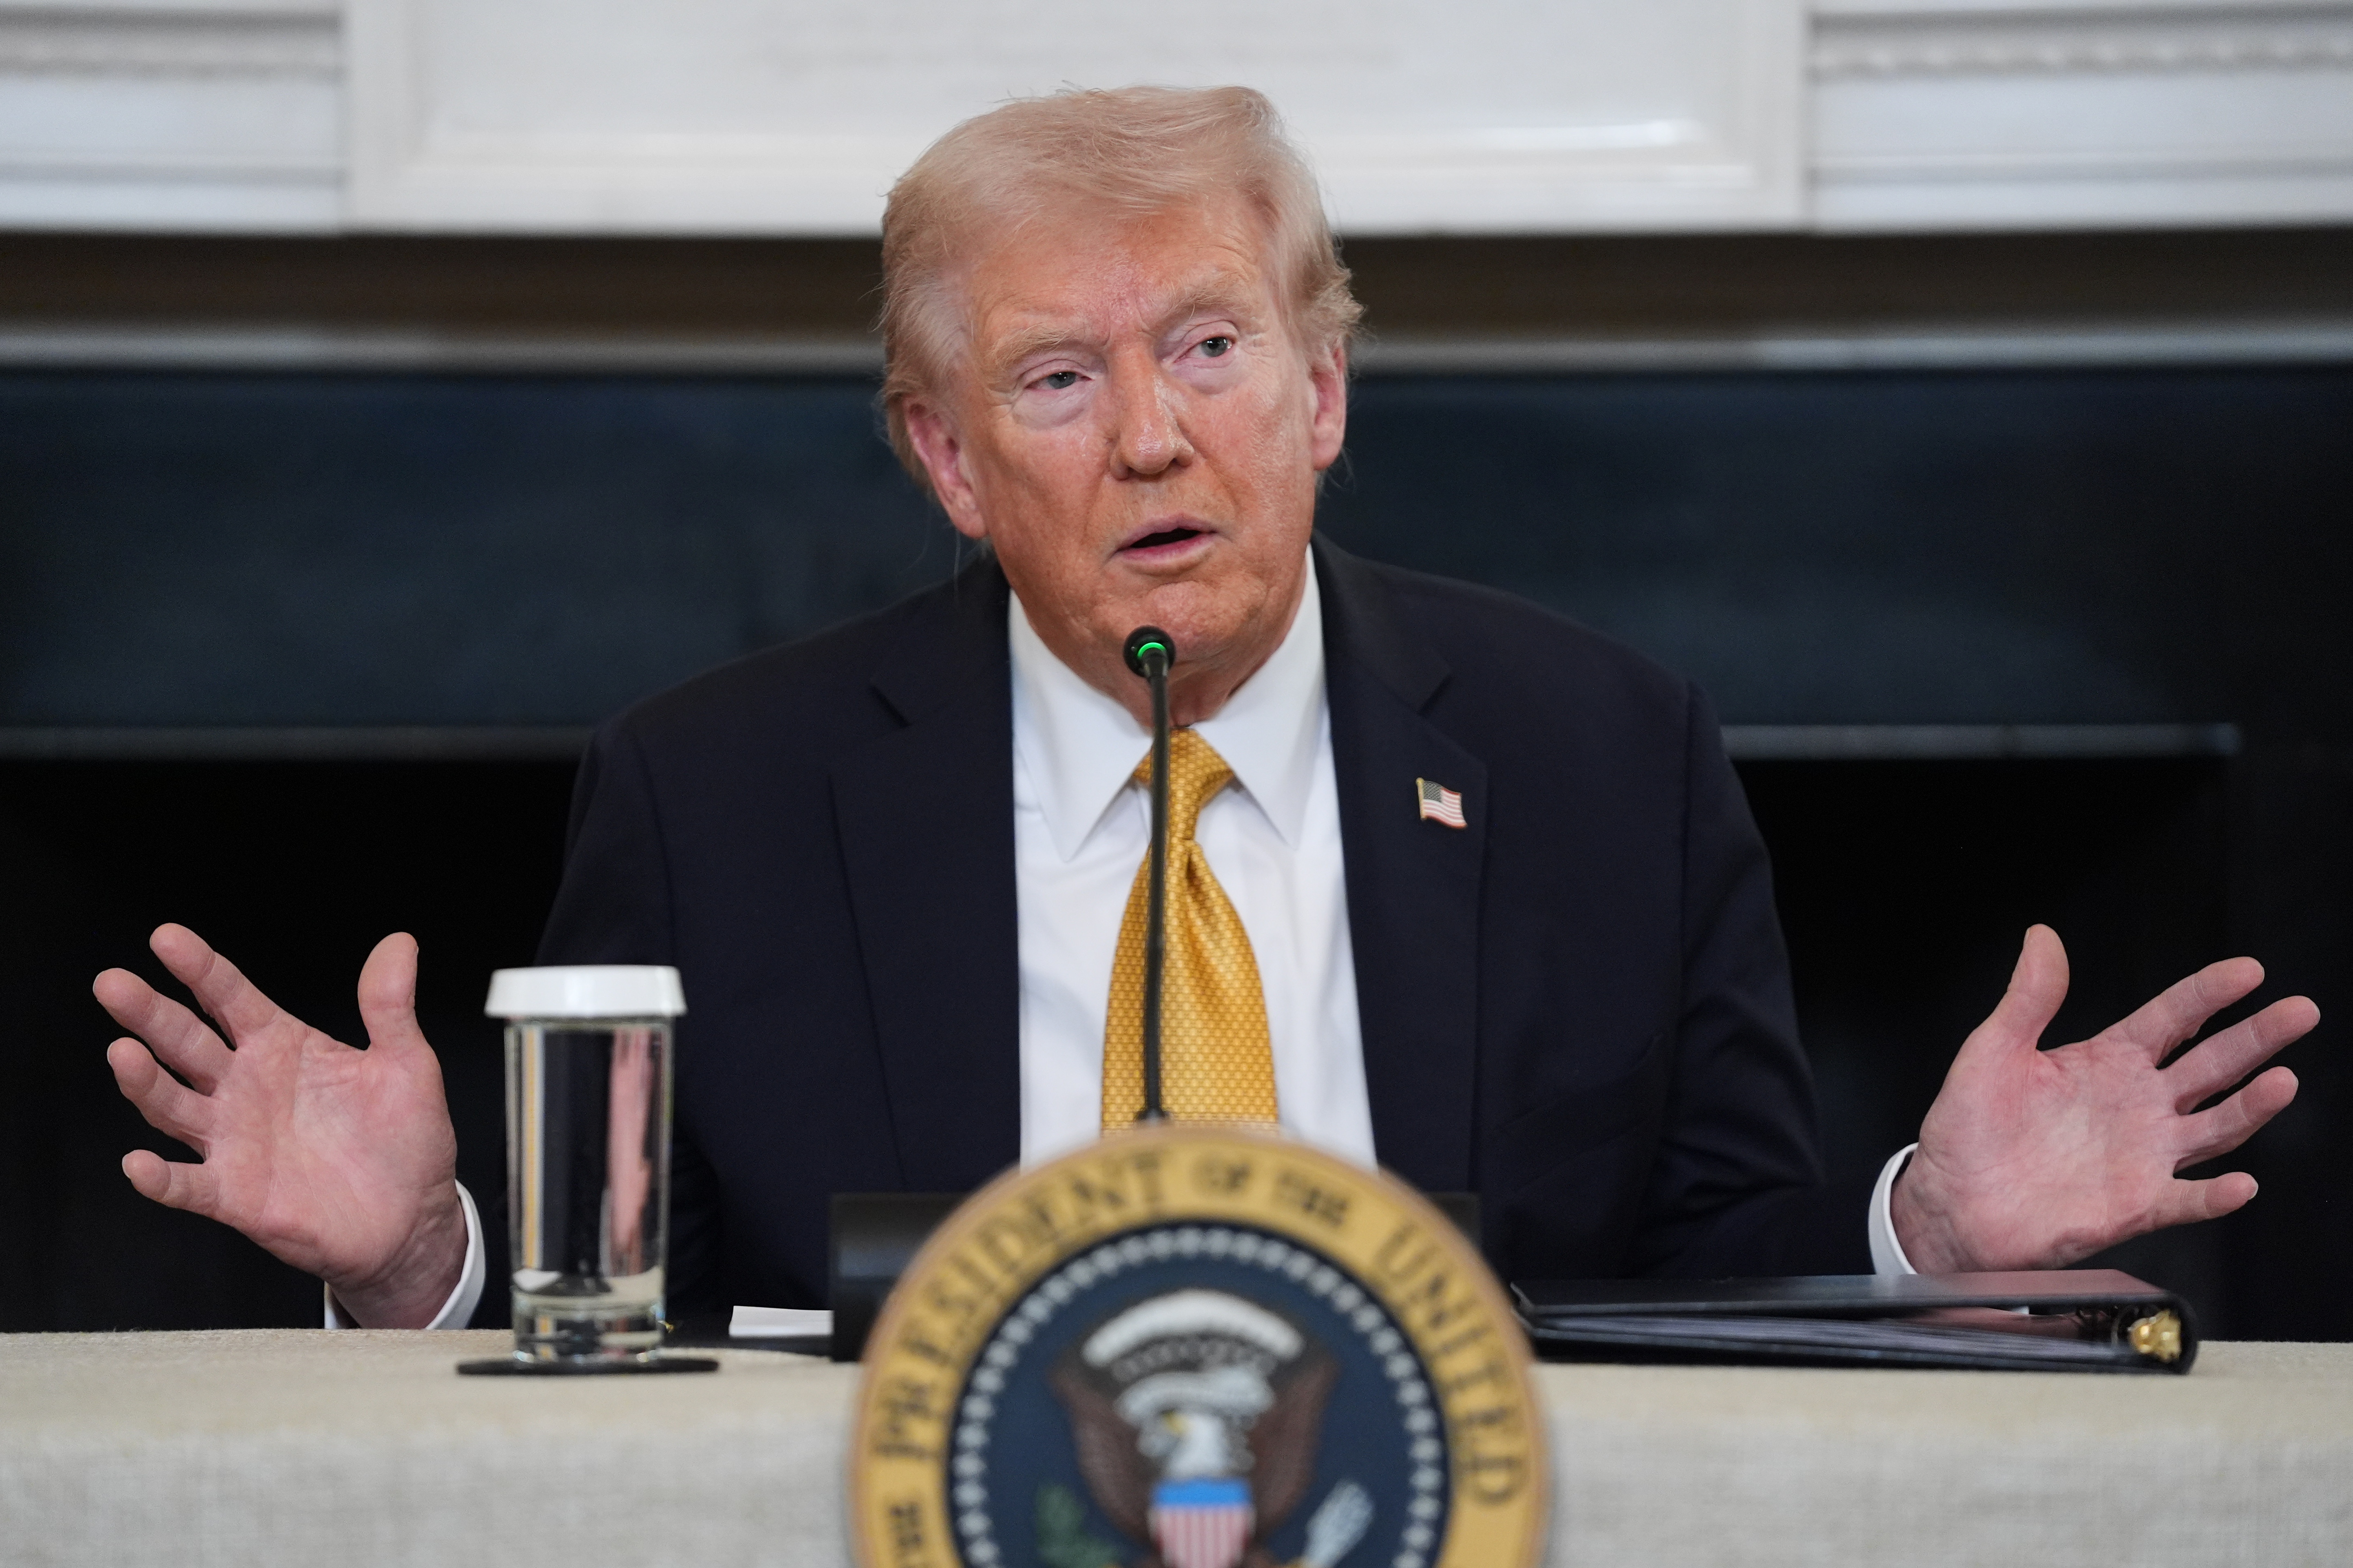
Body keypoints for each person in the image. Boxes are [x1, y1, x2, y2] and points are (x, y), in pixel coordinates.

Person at [95, 87, 2316, 1329]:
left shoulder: (1600, 758)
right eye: (1059, 380)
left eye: (1215, 349)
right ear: (952, 466)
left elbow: (1715, 1295)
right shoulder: (719, 796)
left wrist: (1926, 1242)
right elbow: (623, 1345)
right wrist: (424, 1251)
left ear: (1326, 388)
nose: (1154, 440)